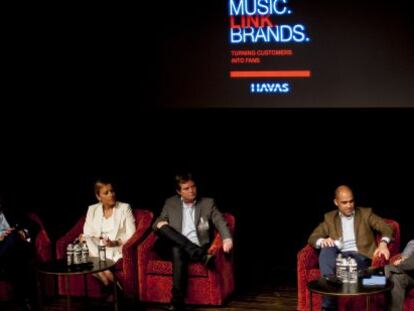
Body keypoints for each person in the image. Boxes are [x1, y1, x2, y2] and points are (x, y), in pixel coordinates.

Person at [153, 172, 233, 311]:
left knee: (178, 249)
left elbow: (220, 221)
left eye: (193, 186)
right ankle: (200, 255)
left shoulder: (208, 203)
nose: (191, 190)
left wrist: (227, 238)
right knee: (162, 227)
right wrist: (160, 223)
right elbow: (158, 222)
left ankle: (177, 303)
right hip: (170, 246)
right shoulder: (170, 202)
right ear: (179, 191)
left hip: (191, 246)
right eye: (186, 188)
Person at [308, 185, 393, 311]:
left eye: (351, 201)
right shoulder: (330, 218)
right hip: (339, 257)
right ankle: (330, 283)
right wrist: (323, 241)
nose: (349, 205)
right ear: (336, 202)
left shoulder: (365, 213)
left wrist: (383, 243)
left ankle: (328, 305)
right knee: (326, 249)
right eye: (344, 202)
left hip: (360, 257)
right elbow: (313, 238)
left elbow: (386, 227)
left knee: (374, 277)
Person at [79, 179, 136, 292]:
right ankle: (113, 286)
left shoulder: (125, 208)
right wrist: (92, 239)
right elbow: (87, 232)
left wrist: (114, 242)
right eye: (106, 193)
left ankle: (109, 285)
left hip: (113, 248)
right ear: (98, 196)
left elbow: (132, 235)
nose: (111, 194)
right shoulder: (92, 209)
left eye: (112, 191)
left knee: (84, 254)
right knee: (84, 239)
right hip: (97, 246)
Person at [0, 196, 40, 311]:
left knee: (16, 247)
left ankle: (26, 302)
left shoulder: (10, 212)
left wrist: (23, 233)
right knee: (15, 243)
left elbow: (33, 225)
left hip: (13, 252)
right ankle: (26, 301)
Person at [385, 239, 414, 311]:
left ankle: (375, 279)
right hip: (409, 274)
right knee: (396, 278)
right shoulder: (412, 243)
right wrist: (403, 259)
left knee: (388, 269)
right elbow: (404, 256)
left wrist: (400, 263)